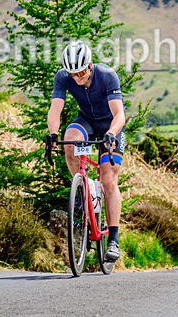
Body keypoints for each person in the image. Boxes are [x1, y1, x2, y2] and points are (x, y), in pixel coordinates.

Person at [46, 40, 127, 263]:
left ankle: (113, 240)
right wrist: (53, 133)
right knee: (69, 141)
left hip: (111, 126)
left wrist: (111, 133)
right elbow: (55, 108)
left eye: (81, 72)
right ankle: (81, 189)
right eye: (73, 74)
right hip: (87, 121)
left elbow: (119, 114)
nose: (77, 78)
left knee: (108, 180)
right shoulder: (62, 77)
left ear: (90, 65)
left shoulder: (107, 75)